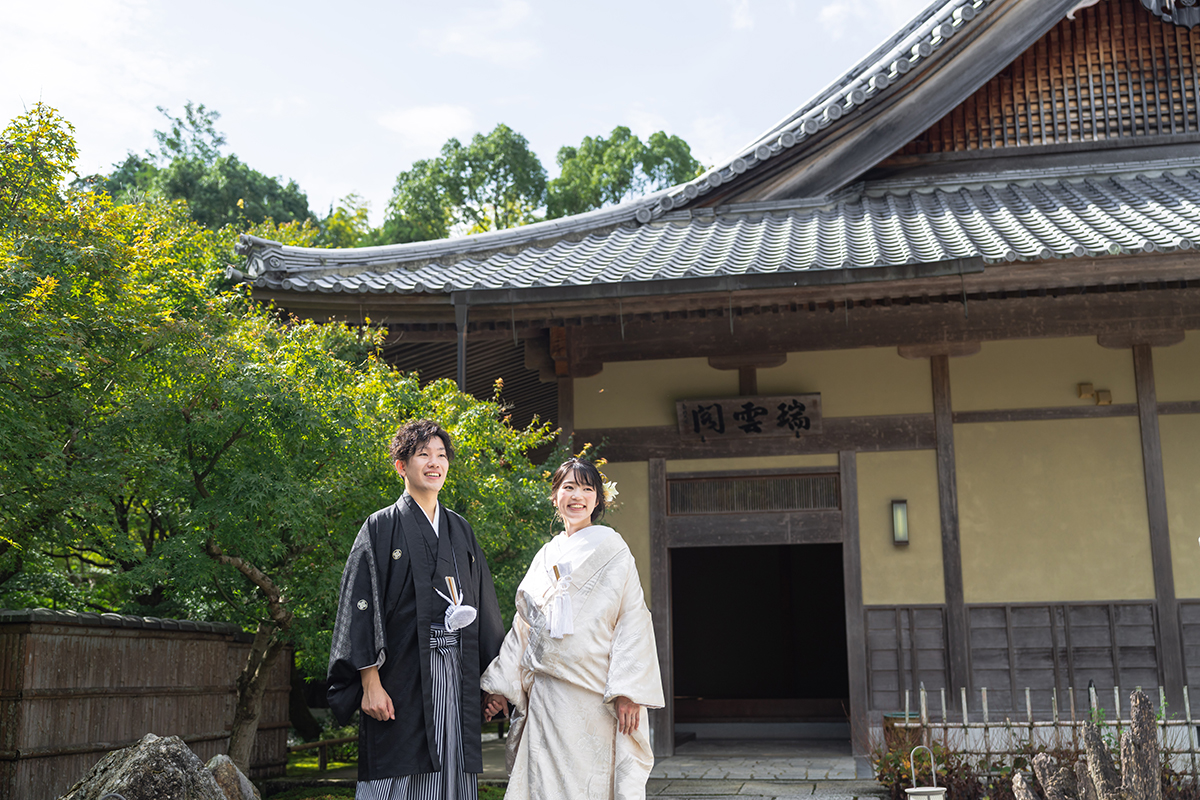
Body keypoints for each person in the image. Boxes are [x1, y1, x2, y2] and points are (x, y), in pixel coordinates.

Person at [327, 419, 505, 800]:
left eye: (441, 455)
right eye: (422, 454)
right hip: (400, 676)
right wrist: (369, 683)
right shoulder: (380, 527)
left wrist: (492, 684)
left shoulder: (461, 530)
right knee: (396, 772)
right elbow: (361, 607)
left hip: (456, 675)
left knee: (452, 774)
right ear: (401, 465)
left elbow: (485, 607)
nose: (434, 462)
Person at [480, 457, 664, 800]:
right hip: (547, 695)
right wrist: (500, 687)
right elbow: (524, 627)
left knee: (589, 782)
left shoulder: (614, 550)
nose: (576, 496)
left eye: (586, 488)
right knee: (542, 784)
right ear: (555, 497)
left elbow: (633, 618)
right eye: (568, 487)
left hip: (594, 693)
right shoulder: (545, 554)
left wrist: (628, 690)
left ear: (598, 500)